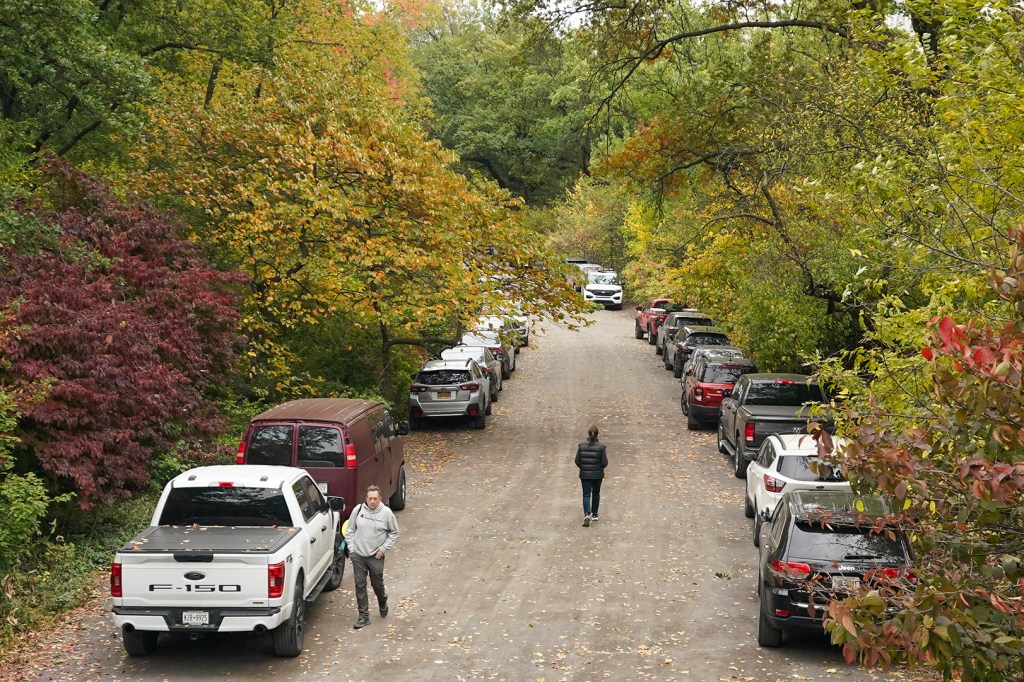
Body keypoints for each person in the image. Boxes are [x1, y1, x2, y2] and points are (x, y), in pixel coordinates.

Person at [345, 485, 399, 629]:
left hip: (376, 556)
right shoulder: (358, 510)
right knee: (360, 584)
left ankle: (382, 600)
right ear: (366, 499)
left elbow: (394, 532)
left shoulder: (387, 513)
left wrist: (383, 549)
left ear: (380, 499)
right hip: (358, 555)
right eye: (370, 499)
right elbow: (350, 530)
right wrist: (352, 549)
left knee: (377, 584)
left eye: (375, 499)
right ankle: (363, 616)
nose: (373, 501)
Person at [575, 426, 608, 527]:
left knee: (586, 494)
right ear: (597, 434)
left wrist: (583, 467)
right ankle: (595, 514)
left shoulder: (581, 446)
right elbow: (604, 462)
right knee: (596, 493)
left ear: (588, 434)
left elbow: (577, 461)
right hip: (597, 475)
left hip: (585, 474)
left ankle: (586, 514)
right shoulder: (601, 447)